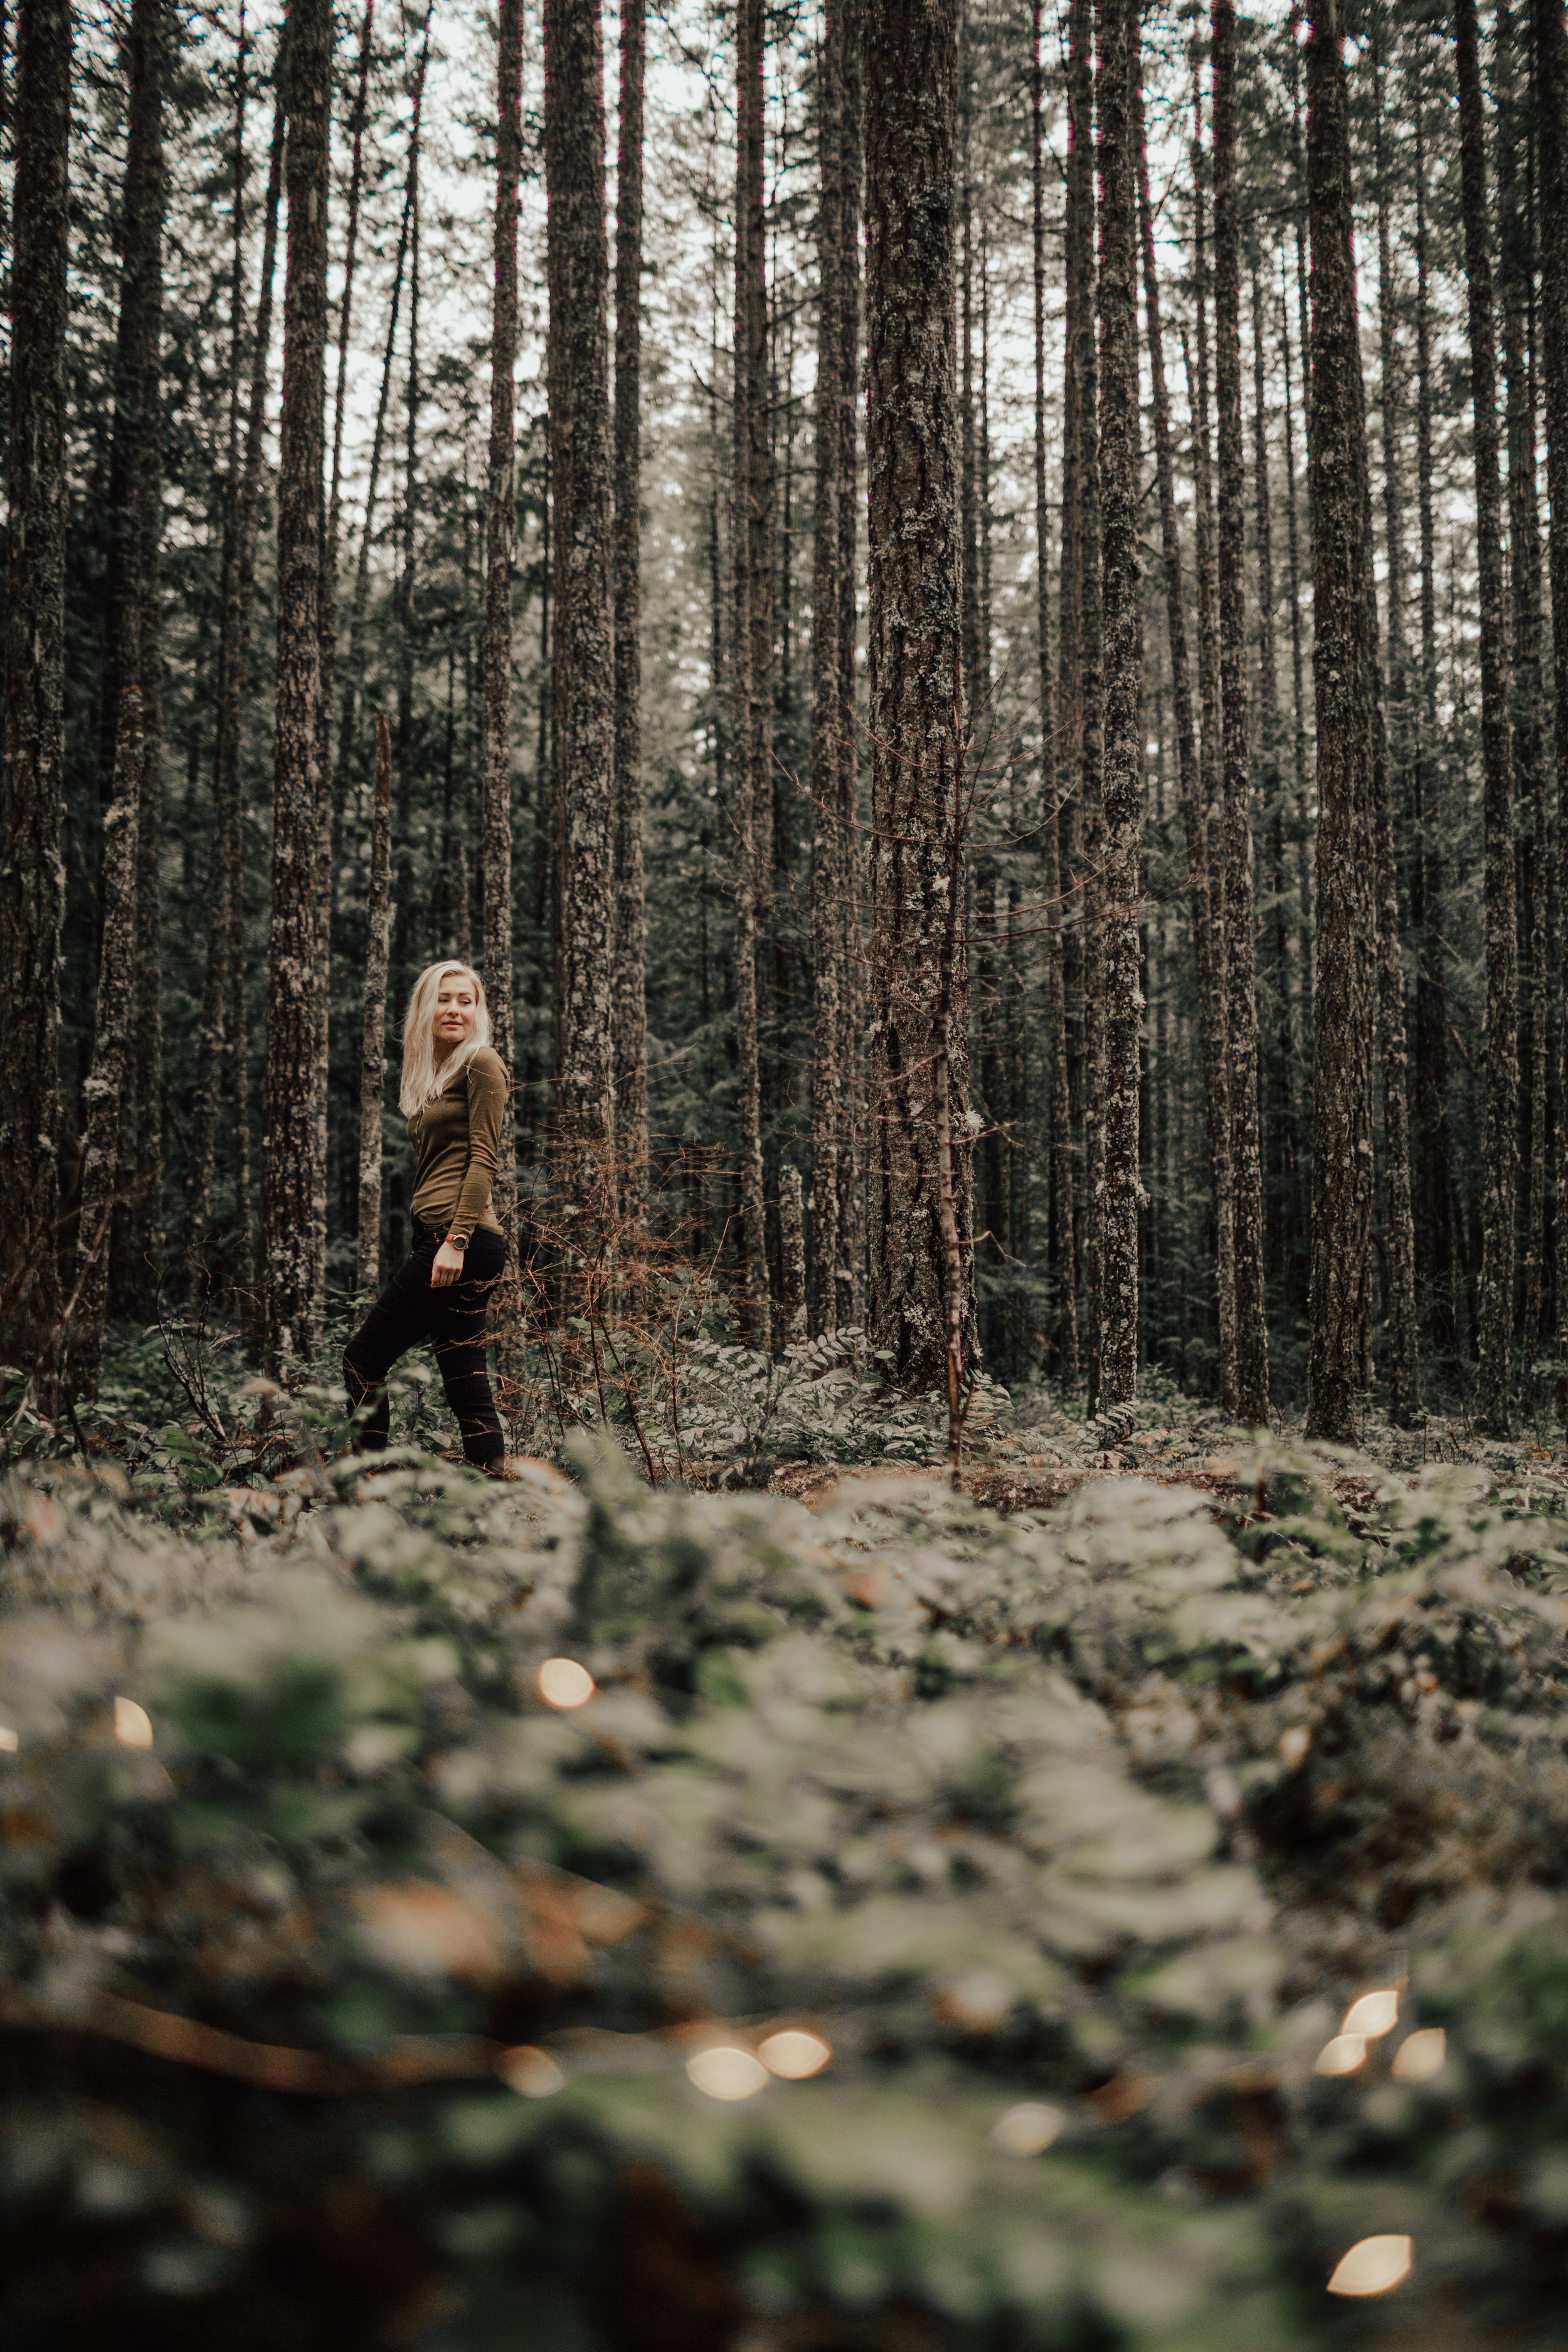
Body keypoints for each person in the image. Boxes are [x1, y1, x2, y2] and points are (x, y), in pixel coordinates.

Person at [344, 960, 511, 1474]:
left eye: (466, 1000)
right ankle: (494, 1496)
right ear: (426, 1007)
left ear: (478, 1010)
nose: (455, 1009)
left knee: (362, 1361)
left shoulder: (481, 1062)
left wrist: (455, 1239)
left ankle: (370, 1489)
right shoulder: (434, 1075)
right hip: (446, 1235)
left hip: (462, 1238)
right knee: (464, 1378)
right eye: (445, 998)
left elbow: (484, 1156)